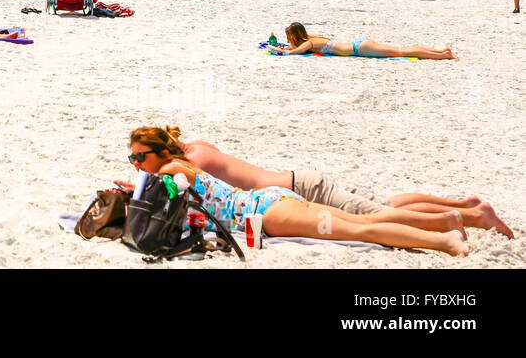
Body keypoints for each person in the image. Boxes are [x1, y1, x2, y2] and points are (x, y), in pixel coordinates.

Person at [124, 126, 510, 239]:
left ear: (160, 150)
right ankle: (467, 206)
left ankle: (472, 217)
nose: (138, 165)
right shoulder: (196, 148)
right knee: (384, 204)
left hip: (299, 190)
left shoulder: (187, 164)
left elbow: (175, 191)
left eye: (140, 158)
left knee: (378, 215)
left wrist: (141, 190)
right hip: (293, 184)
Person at [275, 21, 454, 59]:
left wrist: (283, 51)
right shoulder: (313, 38)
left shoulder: (309, 43)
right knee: (402, 49)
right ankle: (442, 51)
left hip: (360, 49)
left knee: (402, 52)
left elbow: (296, 51)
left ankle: (444, 55)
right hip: (359, 43)